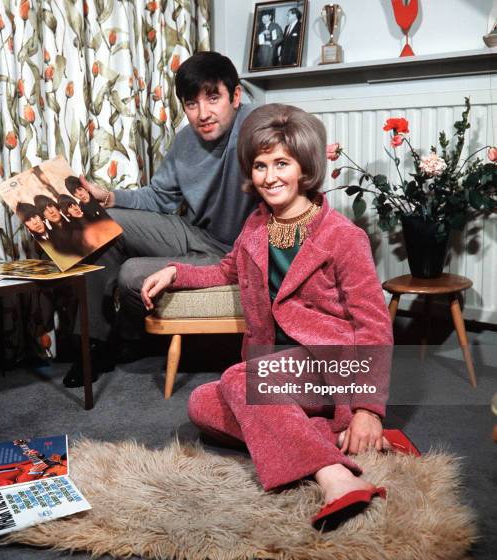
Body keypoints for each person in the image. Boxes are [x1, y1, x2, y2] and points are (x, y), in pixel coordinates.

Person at [141, 104, 416, 530]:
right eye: (260, 165)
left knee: (236, 381)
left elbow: (374, 324)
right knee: (201, 404)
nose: (270, 177)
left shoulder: (344, 237)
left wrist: (368, 410)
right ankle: (321, 436)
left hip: (332, 366)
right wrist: (176, 272)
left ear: (304, 166)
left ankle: (336, 476)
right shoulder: (256, 225)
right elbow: (225, 270)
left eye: (281, 163)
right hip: (276, 367)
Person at [63, 51, 257, 387]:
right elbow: (158, 198)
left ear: (235, 96)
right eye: (192, 103)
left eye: (213, 98)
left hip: (235, 252)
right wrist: (107, 196)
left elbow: (289, 124)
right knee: (101, 223)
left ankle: (133, 337)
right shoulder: (184, 141)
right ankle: (94, 344)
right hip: (195, 234)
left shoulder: (256, 125)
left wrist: (312, 146)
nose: (203, 113)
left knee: (131, 273)